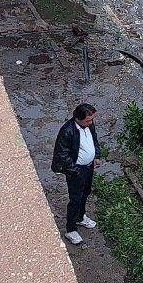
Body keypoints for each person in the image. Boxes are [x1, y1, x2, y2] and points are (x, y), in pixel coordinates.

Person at [51, 103, 101, 245]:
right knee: (75, 199)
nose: (91, 122)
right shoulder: (67, 131)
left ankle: (80, 217)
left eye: (91, 119)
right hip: (76, 170)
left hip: (89, 167)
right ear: (78, 118)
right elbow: (62, 154)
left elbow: (94, 140)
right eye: (88, 120)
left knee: (86, 192)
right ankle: (70, 229)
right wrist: (74, 170)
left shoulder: (89, 125)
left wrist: (96, 156)